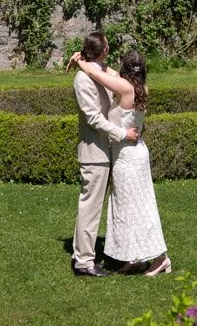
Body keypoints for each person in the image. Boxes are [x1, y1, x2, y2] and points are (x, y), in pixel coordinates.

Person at [70, 47, 171, 277]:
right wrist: (89, 60)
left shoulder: (124, 87)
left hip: (128, 156)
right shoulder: (140, 87)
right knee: (127, 208)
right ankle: (134, 258)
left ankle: (160, 258)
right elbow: (105, 71)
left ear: (124, 67)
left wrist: (80, 61)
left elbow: (98, 74)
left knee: (138, 209)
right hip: (132, 153)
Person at [68, 31, 138, 278]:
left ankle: (84, 255)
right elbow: (93, 117)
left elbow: (114, 78)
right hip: (93, 153)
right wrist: (121, 134)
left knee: (92, 206)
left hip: (104, 150)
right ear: (104, 50)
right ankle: (84, 262)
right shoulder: (83, 80)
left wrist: (81, 61)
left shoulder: (96, 71)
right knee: (90, 207)